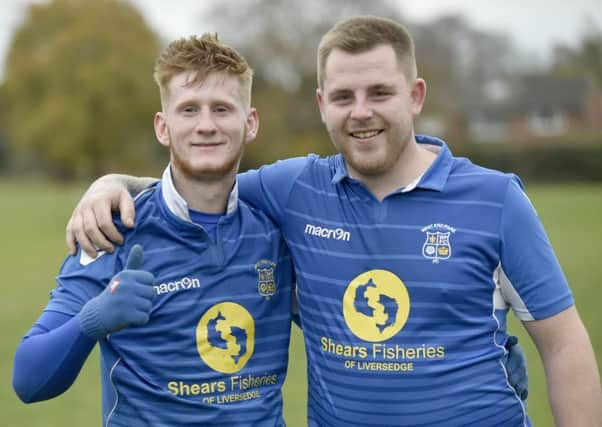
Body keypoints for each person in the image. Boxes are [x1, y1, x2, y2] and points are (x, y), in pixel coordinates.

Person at [61, 16, 585, 427]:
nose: (361, 112)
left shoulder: (495, 201)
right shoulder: (294, 190)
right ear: (322, 105)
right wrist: (111, 185)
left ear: (415, 96)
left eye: (379, 93)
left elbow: (564, 346)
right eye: (343, 97)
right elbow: (201, 182)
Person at [12, 34, 296, 426]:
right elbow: (28, 380)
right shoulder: (112, 228)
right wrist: (93, 319)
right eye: (189, 109)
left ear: (250, 123)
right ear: (163, 127)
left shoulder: (278, 229)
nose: (207, 125)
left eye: (222, 109)